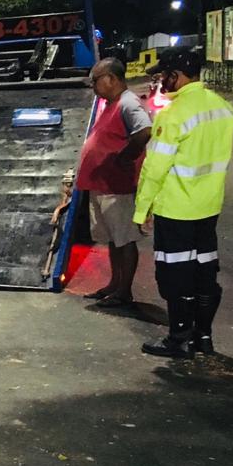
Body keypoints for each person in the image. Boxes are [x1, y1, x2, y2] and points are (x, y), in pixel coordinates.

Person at [133, 47, 233, 357]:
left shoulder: (174, 114)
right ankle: (203, 338)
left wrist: (142, 209)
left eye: (165, 75)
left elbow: (155, 168)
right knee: (205, 274)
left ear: (177, 76)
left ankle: (178, 340)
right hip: (208, 208)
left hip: (176, 209)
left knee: (175, 278)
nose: (162, 81)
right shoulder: (223, 108)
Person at [77, 56, 152, 306]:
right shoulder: (112, 103)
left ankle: (124, 291)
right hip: (103, 185)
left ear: (111, 78)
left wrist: (124, 158)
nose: (94, 86)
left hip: (117, 187)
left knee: (124, 239)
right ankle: (115, 283)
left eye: (96, 80)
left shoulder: (128, 103)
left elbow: (144, 131)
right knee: (113, 240)